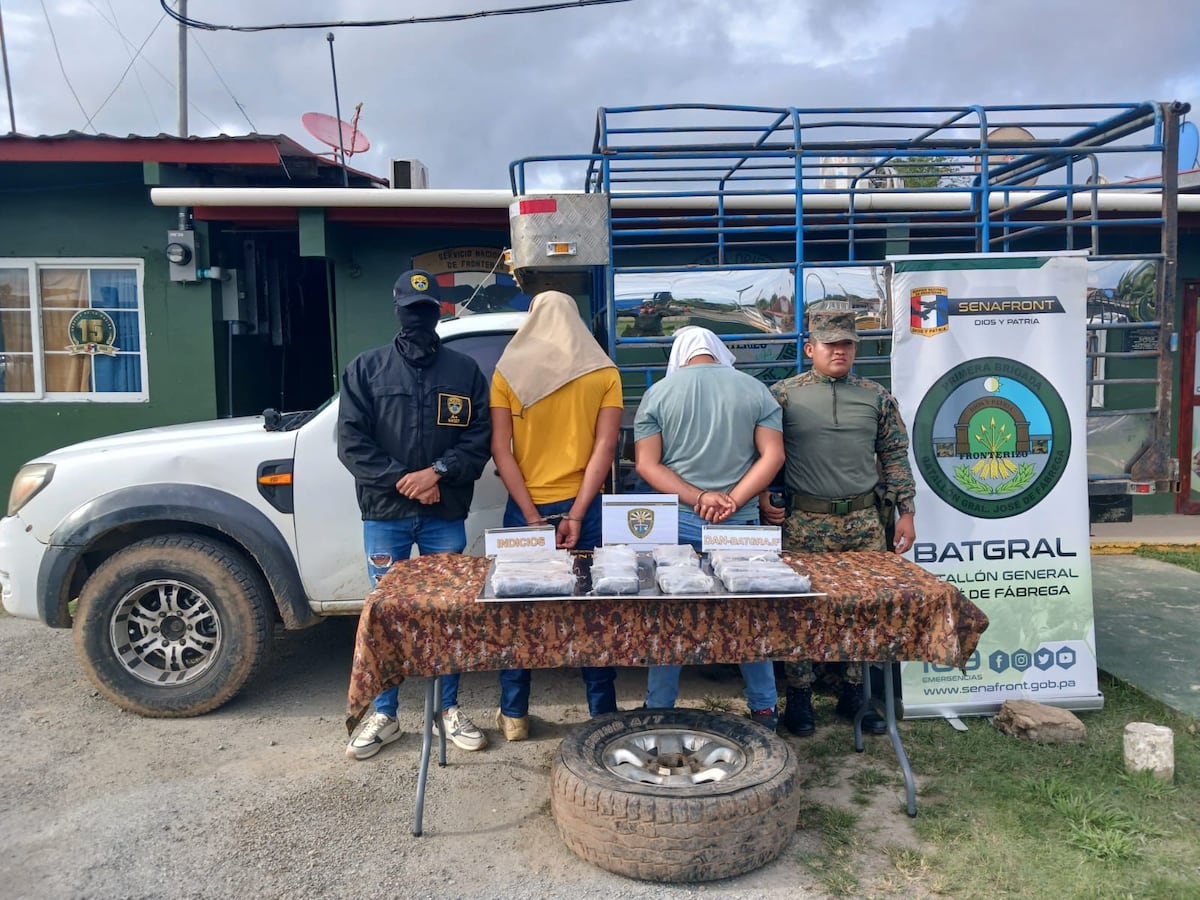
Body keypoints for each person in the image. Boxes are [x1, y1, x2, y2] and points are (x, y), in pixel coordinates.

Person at [338, 269, 492, 760]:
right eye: (410, 311)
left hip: (444, 511)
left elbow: (480, 439)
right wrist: (405, 480)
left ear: (438, 312)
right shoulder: (367, 369)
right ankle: (384, 714)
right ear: (398, 310)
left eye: (426, 311)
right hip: (386, 513)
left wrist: (437, 473)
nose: (418, 320)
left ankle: (448, 709)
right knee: (388, 613)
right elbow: (351, 443)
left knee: (448, 612)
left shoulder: (464, 372)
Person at [761, 309, 916, 738]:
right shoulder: (782, 396)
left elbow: (895, 457)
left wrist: (906, 512)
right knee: (800, 609)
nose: (839, 351)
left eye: (846, 344)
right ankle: (800, 696)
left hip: (865, 522)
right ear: (810, 348)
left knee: (863, 609)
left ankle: (856, 692)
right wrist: (761, 494)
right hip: (804, 522)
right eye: (830, 344)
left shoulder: (876, 397)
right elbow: (759, 451)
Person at [633, 326, 786, 729]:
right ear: (718, 353)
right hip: (743, 525)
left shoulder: (659, 394)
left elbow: (648, 465)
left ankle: (659, 706)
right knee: (751, 617)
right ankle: (765, 708)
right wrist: (734, 499)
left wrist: (699, 497)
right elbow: (773, 455)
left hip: (681, 521)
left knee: (671, 616)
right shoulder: (756, 390)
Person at [490, 287, 623, 740]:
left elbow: (501, 451)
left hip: (525, 509)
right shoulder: (604, 372)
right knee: (591, 609)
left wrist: (530, 518)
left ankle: (514, 716)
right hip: (586, 510)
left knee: (520, 610)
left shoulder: (507, 372)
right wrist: (577, 513)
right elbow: (605, 448)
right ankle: (601, 715)